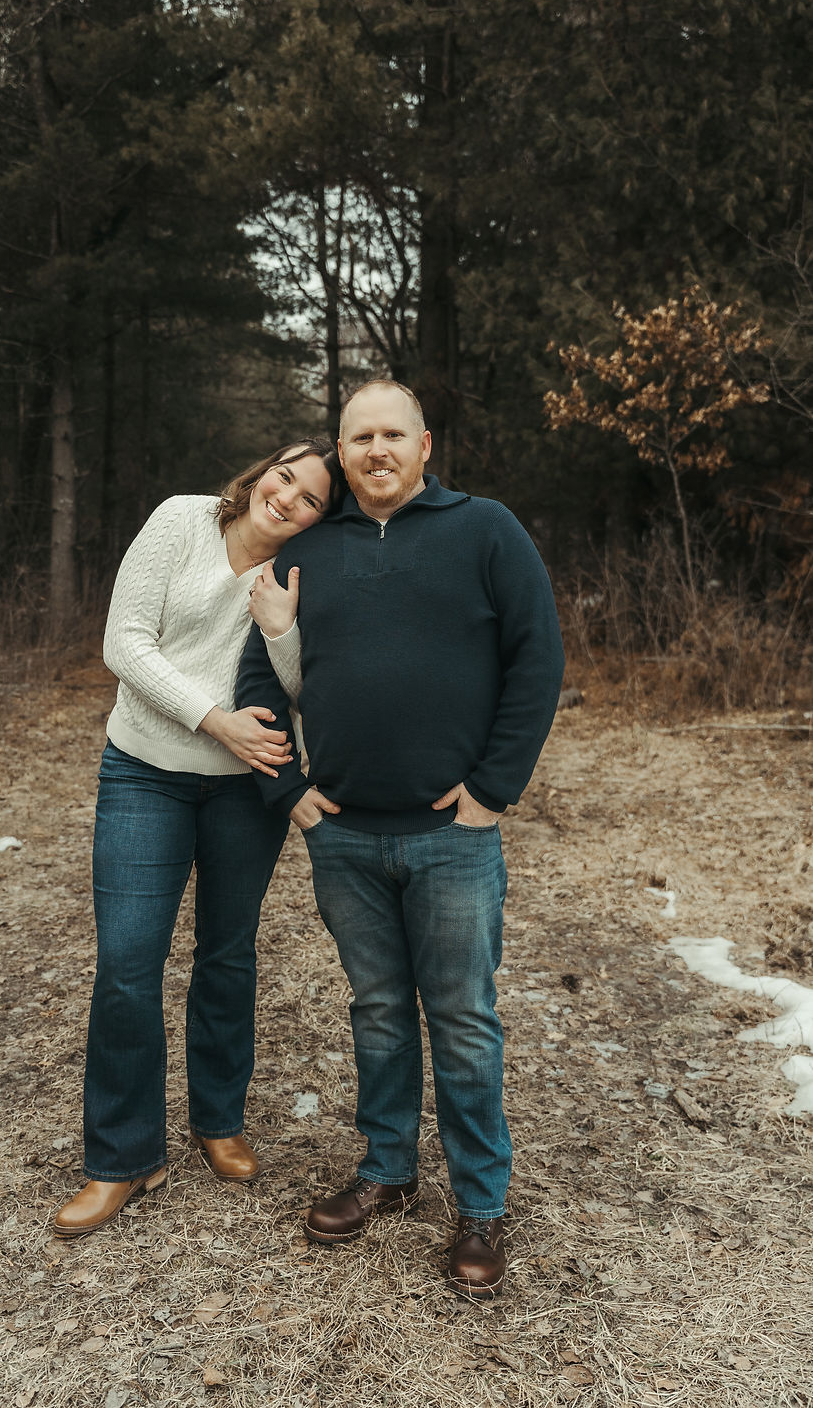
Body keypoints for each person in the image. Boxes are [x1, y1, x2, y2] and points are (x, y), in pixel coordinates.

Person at [237, 381, 564, 1299]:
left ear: (426, 445)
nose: (376, 450)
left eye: (393, 434)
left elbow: (537, 659)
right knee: (378, 1009)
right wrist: (288, 790)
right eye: (358, 438)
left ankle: (481, 1205)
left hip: (450, 837)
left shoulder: (486, 529)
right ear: (340, 456)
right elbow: (262, 668)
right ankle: (387, 1169)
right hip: (343, 836)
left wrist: (494, 790)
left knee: (461, 1018)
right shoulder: (309, 550)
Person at [53, 437, 344, 1239]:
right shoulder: (180, 522)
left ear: (323, 515)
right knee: (126, 962)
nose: (287, 498)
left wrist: (282, 632)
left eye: (311, 497)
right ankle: (122, 1158)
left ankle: (218, 1119)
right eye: (285, 477)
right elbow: (125, 644)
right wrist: (215, 719)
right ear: (262, 472)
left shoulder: (302, 576)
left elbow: (301, 687)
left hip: (242, 794)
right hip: (144, 771)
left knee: (227, 952)